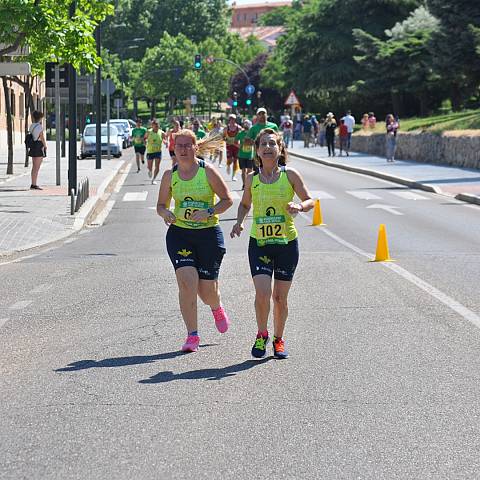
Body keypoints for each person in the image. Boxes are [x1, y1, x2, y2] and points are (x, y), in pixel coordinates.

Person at [230, 128, 314, 359]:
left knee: (280, 298)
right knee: (262, 294)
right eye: (263, 144)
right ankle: (261, 334)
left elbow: (310, 200)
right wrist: (239, 223)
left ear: (279, 149)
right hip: (260, 243)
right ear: (257, 151)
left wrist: (299, 206)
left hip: (286, 244)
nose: (267, 148)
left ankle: (278, 339)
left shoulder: (290, 175)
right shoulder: (252, 179)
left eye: (272, 144)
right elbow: (245, 205)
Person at [156, 130, 234, 352]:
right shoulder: (170, 175)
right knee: (187, 283)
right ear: (173, 148)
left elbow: (227, 200)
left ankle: (216, 307)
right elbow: (160, 205)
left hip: (208, 235)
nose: (182, 149)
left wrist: (209, 211)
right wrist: (166, 214)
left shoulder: (206, 172)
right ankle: (192, 335)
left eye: (186, 145)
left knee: (206, 291)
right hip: (180, 234)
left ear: (195, 148)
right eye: (178, 146)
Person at [27, 110, 47, 190]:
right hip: (39, 146)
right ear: (40, 118)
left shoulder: (31, 126)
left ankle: (33, 183)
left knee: (34, 166)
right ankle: (34, 184)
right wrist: (45, 146)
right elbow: (41, 137)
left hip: (33, 146)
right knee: (37, 167)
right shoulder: (39, 126)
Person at [235, 119, 254, 189]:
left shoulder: (252, 134)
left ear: (250, 125)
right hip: (241, 155)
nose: (246, 125)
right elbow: (235, 141)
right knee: (243, 171)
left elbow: (255, 141)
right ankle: (244, 184)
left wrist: (252, 143)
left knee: (249, 171)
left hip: (250, 155)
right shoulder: (240, 133)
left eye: (247, 124)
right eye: (245, 124)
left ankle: (248, 184)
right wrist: (239, 146)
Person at [145, 119, 164, 184]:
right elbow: (144, 138)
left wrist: (166, 142)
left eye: (157, 125)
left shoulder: (161, 132)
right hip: (150, 151)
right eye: (155, 125)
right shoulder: (149, 132)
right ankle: (150, 170)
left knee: (157, 166)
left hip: (158, 151)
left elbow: (164, 139)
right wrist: (144, 142)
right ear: (152, 126)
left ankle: (153, 179)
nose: (156, 127)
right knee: (149, 166)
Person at [223, 114, 241, 181]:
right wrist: (226, 140)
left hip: (236, 146)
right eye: (231, 119)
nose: (232, 120)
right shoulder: (226, 128)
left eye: (233, 119)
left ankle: (233, 176)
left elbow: (242, 136)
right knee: (230, 160)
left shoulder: (238, 128)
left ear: (235, 120)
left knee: (235, 161)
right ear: (229, 119)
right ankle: (228, 165)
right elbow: (223, 137)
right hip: (229, 146)